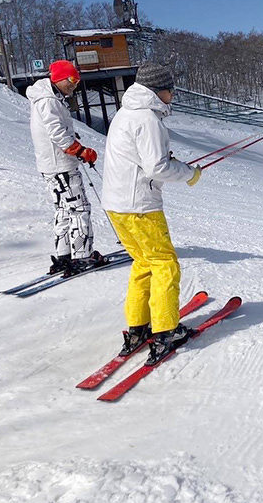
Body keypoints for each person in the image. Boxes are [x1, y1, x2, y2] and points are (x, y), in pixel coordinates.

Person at [101, 62, 202, 366]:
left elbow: (144, 160)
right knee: (165, 265)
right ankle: (166, 331)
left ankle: (137, 327)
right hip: (140, 207)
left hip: (116, 204)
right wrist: (189, 174)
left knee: (143, 263)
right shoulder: (148, 120)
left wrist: (172, 164)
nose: (173, 94)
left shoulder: (126, 114)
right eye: (170, 88)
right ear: (159, 90)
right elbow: (156, 168)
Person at [27, 60, 102, 275]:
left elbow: (56, 131)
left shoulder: (47, 98)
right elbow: (57, 133)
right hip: (61, 166)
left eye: (77, 80)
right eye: (71, 79)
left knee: (63, 209)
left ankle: (64, 255)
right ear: (58, 78)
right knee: (79, 209)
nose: (74, 84)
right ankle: (82, 256)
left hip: (52, 165)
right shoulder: (48, 101)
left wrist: (73, 142)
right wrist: (80, 150)